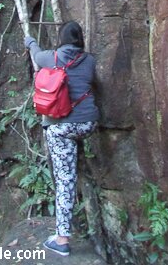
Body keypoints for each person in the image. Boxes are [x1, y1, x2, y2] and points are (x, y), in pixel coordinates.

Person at [24, 21, 99, 257]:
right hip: (88, 123)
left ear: (62, 38)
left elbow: (36, 55)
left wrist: (31, 42)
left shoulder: (53, 57)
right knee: (73, 162)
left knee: (65, 179)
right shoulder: (90, 61)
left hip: (61, 127)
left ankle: (62, 239)